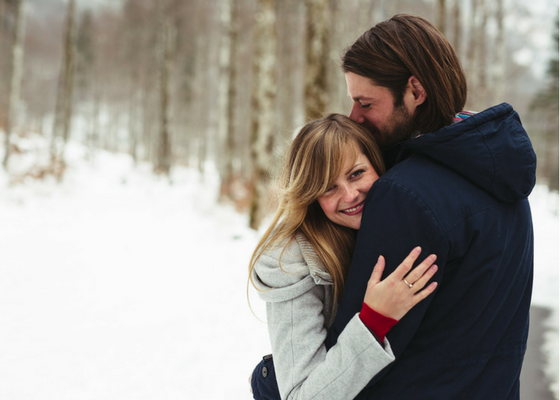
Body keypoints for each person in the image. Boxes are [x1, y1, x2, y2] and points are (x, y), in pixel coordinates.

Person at [253, 13, 536, 400]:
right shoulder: (504, 181)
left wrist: (267, 383)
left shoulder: (403, 195)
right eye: (327, 186)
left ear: (415, 92)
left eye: (365, 102)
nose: (354, 117)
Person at [249, 113, 439, 400]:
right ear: (310, 195)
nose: (350, 195)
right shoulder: (289, 261)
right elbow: (303, 396)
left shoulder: (399, 222)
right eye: (329, 187)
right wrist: (374, 321)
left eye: (356, 174)